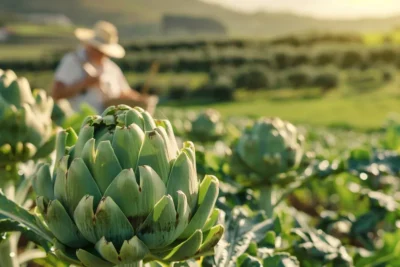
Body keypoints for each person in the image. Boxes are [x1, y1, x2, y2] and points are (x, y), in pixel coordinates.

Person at [51, 21, 149, 114]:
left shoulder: (112, 68)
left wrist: (139, 99)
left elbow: (123, 92)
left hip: (107, 128)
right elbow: (56, 94)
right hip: (78, 125)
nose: (103, 54)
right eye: (99, 50)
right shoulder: (72, 62)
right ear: (91, 45)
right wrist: (84, 84)